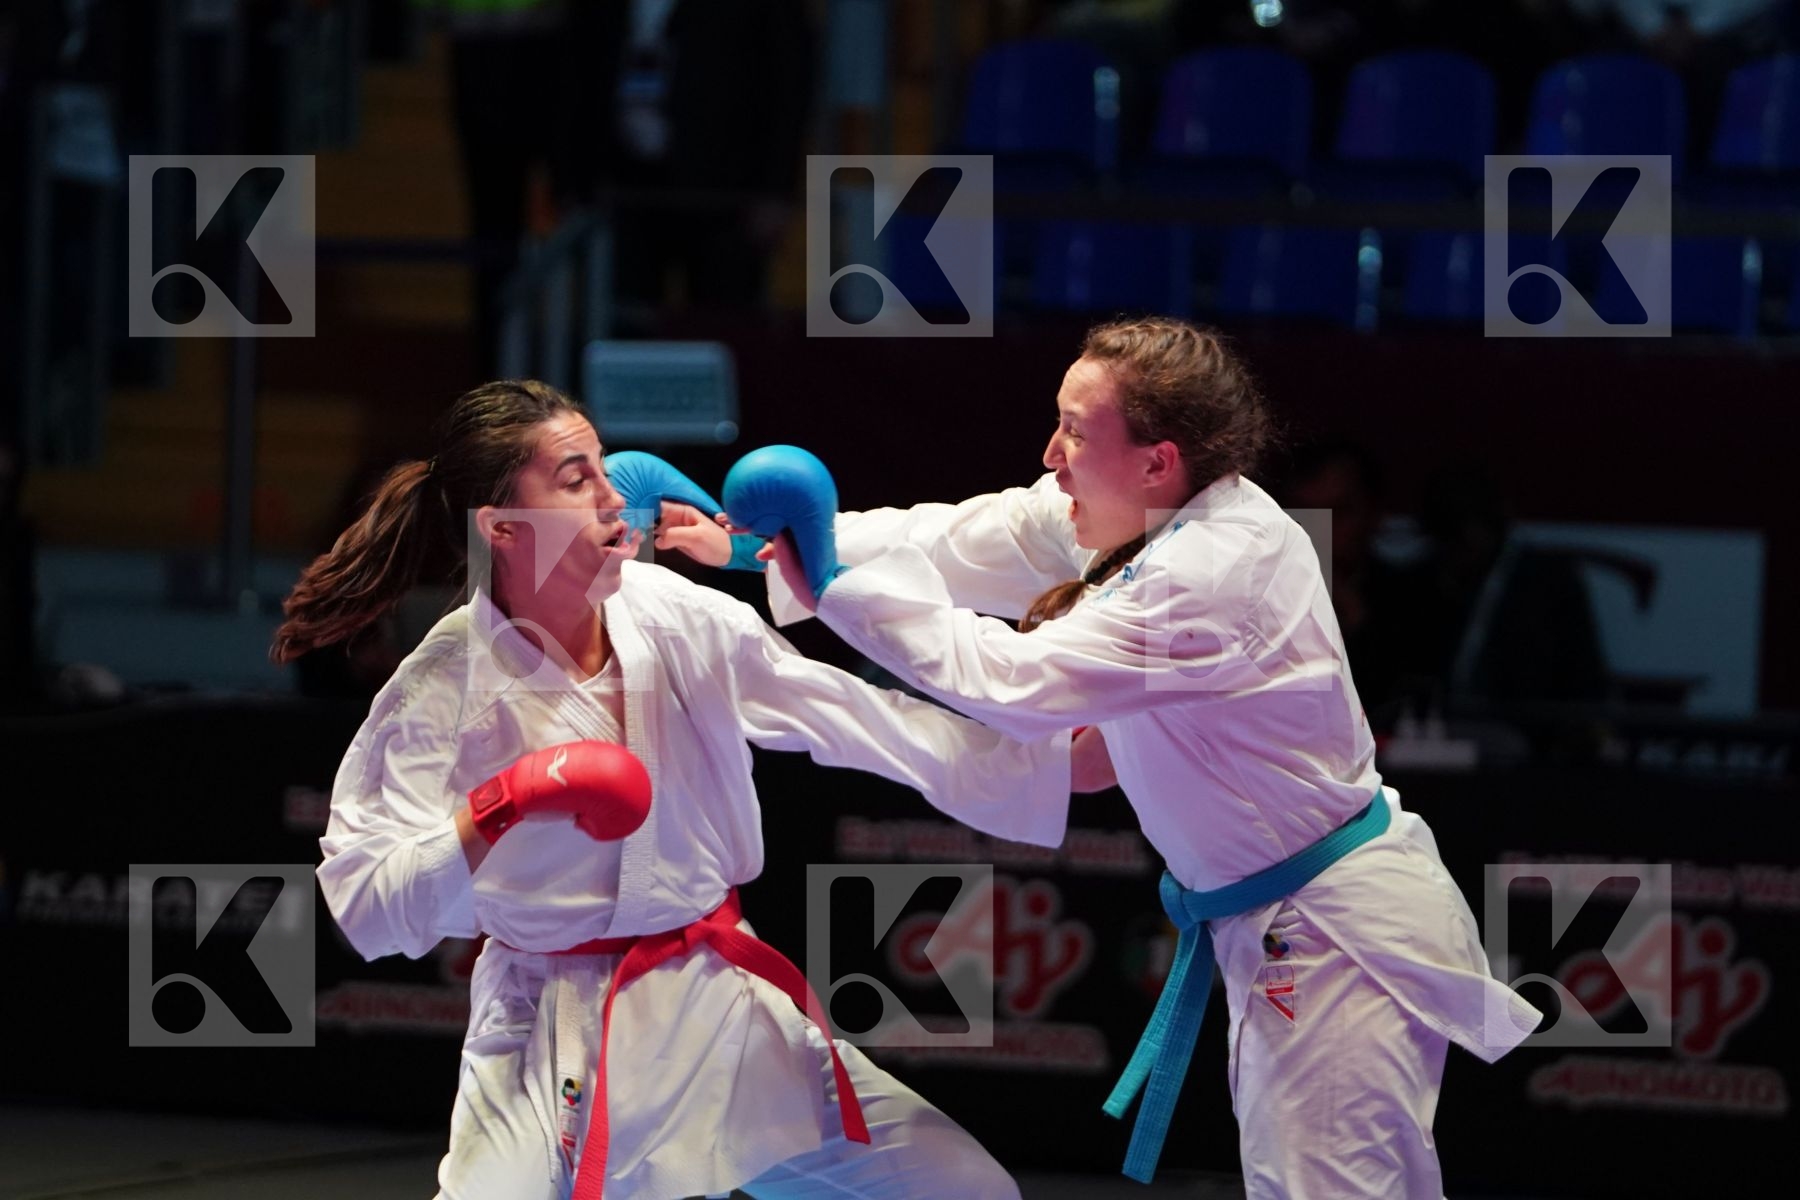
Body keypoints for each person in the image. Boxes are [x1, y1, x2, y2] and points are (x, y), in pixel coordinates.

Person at [674, 318, 1544, 1198]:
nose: (1051, 452)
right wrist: (765, 545)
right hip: (1284, 917)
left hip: (1330, 931)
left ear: (1157, 461)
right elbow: (970, 535)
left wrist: (827, 584)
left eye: (1076, 432)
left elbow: (1010, 681)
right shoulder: (1141, 512)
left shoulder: (1211, 572)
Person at [272, 379, 1081, 1199]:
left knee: (965, 1190)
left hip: (720, 1008)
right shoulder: (442, 688)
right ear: (503, 528)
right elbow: (366, 906)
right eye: (576, 476)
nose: (614, 493)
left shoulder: (675, 614)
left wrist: (1044, 764)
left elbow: (848, 715)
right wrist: (499, 805)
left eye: (603, 465)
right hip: (550, 1034)